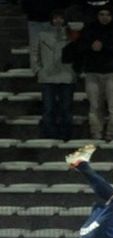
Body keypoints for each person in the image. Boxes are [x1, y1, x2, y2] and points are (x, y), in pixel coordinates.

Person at [78, 5, 113, 140]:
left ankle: (112, 133)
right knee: (95, 105)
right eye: (101, 14)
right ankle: (96, 132)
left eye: (107, 14)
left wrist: (105, 47)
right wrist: (91, 47)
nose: (104, 17)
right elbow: (79, 47)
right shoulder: (88, 30)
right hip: (92, 72)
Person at [31, 9, 77, 141]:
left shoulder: (72, 35)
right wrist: (38, 70)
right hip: (47, 76)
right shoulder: (42, 35)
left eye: (61, 18)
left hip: (67, 76)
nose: (58, 21)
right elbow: (35, 53)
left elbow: (78, 54)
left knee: (66, 108)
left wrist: (76, 71)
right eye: (56, 18)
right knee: (48, 108)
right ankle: (49, 135)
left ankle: (65, 135)